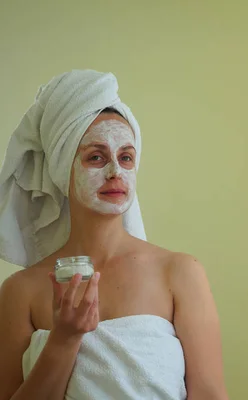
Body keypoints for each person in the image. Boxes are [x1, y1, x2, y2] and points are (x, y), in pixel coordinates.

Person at [0, 70, 228, 399]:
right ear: (64, 169)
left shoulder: (179, 273)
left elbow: (210, 393)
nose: (114, 173)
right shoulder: (20, 293)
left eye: (125, 158)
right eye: (96, 157)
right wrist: (64, 340)